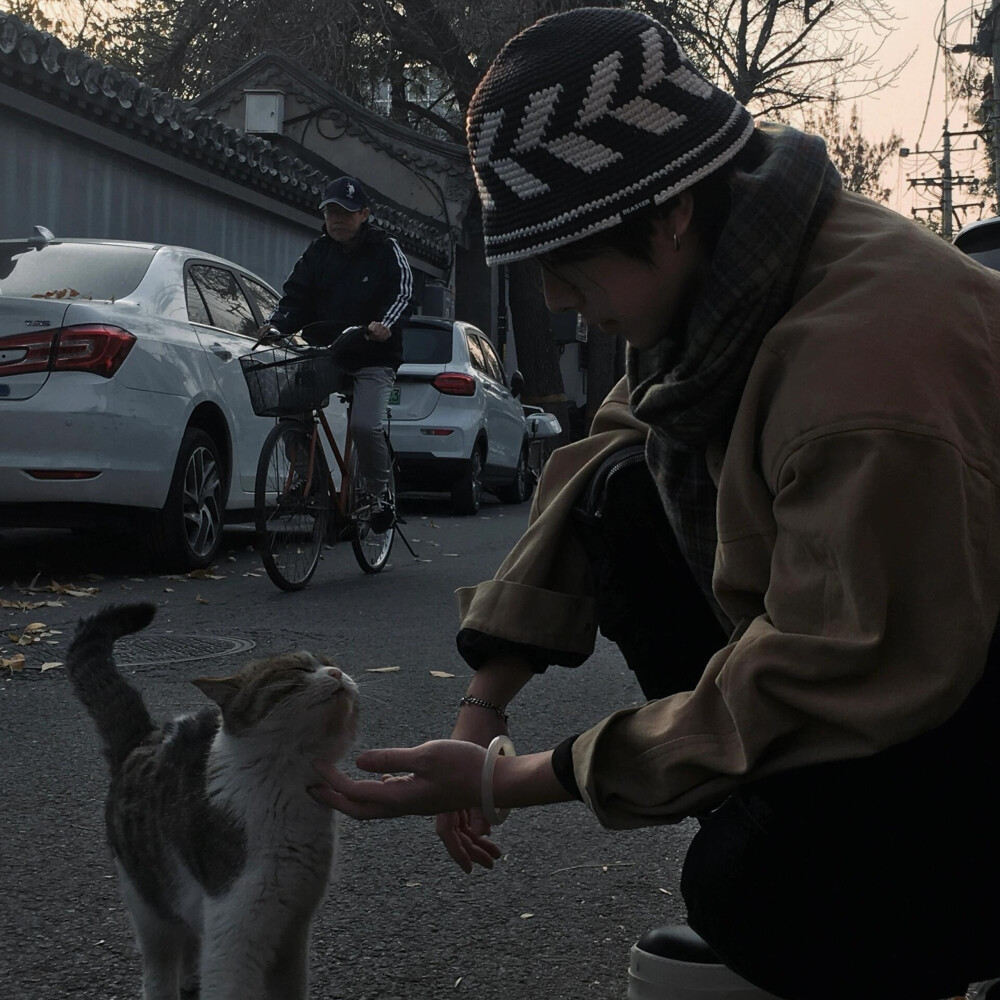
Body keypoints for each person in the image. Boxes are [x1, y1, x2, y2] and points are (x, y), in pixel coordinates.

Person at [310, 9, 1000, 999]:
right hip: (919, 683)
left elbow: (824, 669)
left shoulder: (864, 373)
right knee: (625, 489)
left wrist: (515, 779)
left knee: (748, 891)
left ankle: (882, 921)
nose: (551, 298)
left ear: (669, 212)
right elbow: (607, 455)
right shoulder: (737, 279)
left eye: (566, 261)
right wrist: (481, 709)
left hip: (962, 709)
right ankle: (808, 854)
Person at [264, 175, 413, 531]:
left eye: (345, 213)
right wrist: (276, 326)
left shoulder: (385, 249)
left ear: (363, 214)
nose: (337, 220)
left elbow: (403, 293)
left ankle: (379, 496)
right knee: (290, 409)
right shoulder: (317, 252)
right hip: (328, 351)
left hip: (374, 354)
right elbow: (295, 296)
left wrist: (384, 324)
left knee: (364, 425)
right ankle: (305, 479)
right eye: (331, 212)